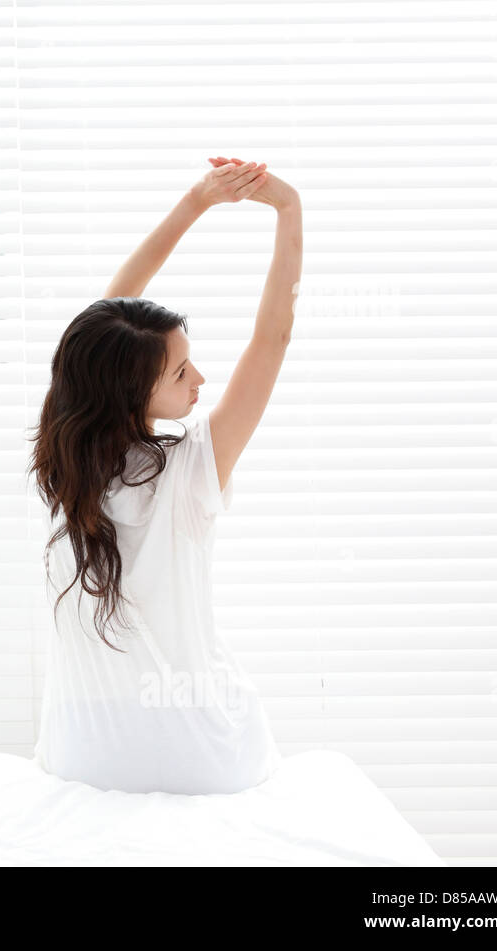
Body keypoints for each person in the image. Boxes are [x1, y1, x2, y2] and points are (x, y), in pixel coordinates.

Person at [27, 158, 303, 795]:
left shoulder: (62, 463)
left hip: (82, 752)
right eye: (181, 373)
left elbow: (100, 330)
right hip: (198, 753)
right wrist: (289, 209)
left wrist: (197, 201)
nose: (200, 380)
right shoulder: (193, 468)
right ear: (129, 391)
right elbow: (274, 338)